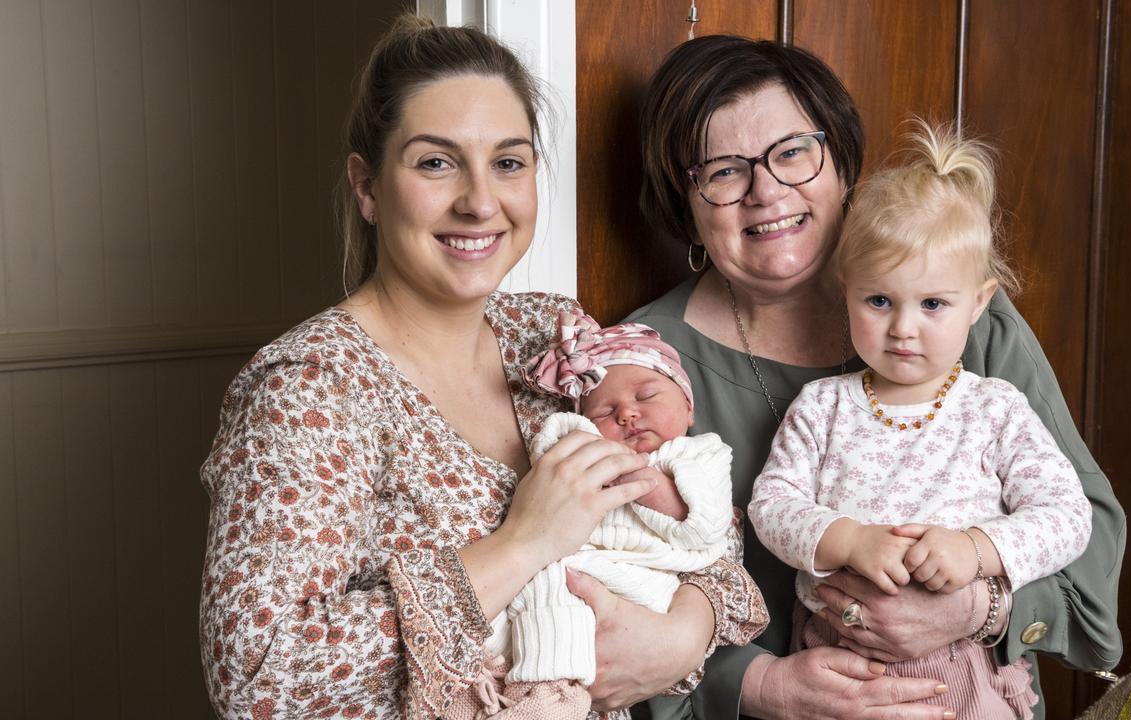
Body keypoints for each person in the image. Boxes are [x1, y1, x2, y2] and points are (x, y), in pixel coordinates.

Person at [198, 17, 765, 720]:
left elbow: (707, 529)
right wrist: (522, 544)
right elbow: (257, 676)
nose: (480, 201)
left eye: (508, 162)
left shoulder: (554, 333)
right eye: (436, 162)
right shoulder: (311, 387)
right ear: (367, 187)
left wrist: (684, 634)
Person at [627, 35, 1125, 720]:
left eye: (793, 152)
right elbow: (617, 604)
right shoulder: (641, 368)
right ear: (682, 204)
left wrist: (979, 607)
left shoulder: (967, 323)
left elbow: (1087, 542)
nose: (766, 191)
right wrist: (763, 687)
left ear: (840, 162)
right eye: (721, 171)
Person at [747, 121, 1093, 720]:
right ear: (846, 290)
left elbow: (1067, 515)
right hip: (841, 666)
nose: (903, 328)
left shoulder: (995, 409)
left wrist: (978, 549)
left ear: (979, 303)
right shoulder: (823, 406)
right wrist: (846, 539)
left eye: (933, 304)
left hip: (967, 670)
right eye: (879, 301)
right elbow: (771, 505)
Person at [440, 311, 746, 718]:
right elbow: (550, 448)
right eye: (605, 411)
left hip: (649, 579)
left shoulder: (699, 454)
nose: (627, 415)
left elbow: (705, 527)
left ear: (689, 408)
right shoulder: (589, 443)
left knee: (567, 610)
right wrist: (578, 433)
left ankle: (548, 698)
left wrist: (632, 472)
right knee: (530, 601)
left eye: (646, 396)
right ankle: (490, 683)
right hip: (580, 561)